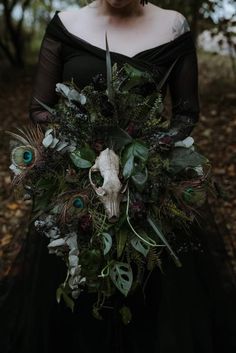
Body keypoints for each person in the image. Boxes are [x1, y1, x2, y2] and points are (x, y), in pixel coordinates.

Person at [1, 1, 236, 353]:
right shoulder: (66, 24)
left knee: (150, 300)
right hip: (77, 187)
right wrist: (85, 145)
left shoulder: (174, 26)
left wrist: (144, 153)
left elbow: (186, 112)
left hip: (151, 192)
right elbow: (39, 108)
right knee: (77, 304)